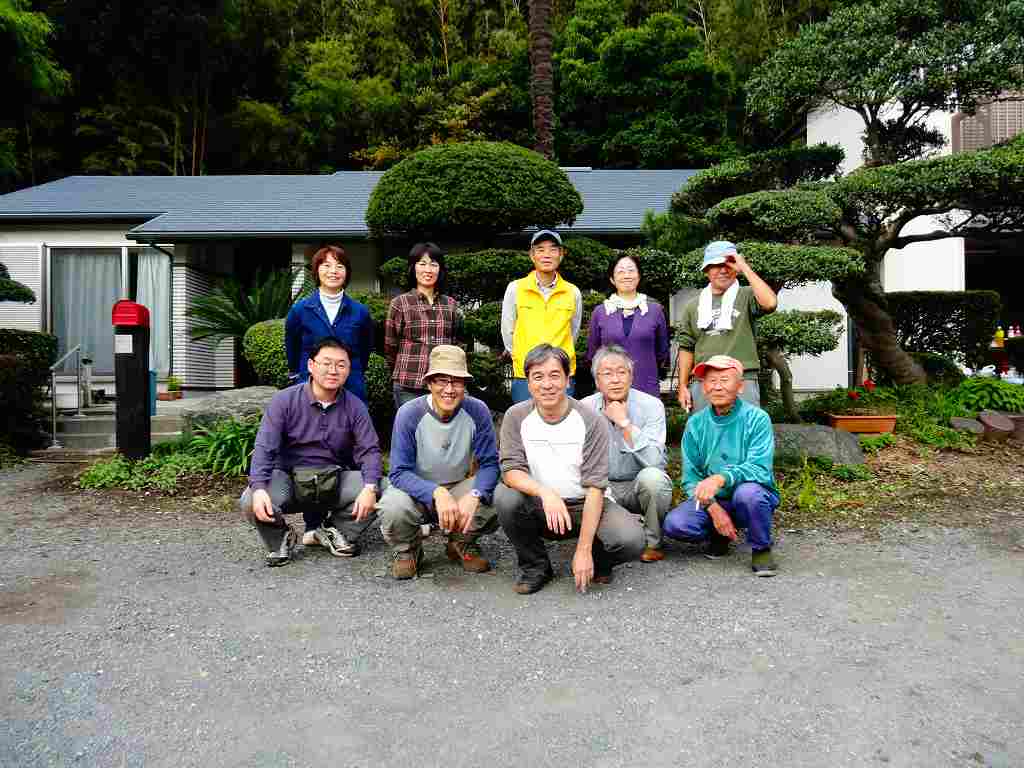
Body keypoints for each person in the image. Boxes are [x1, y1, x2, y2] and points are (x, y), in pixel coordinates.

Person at [495, 344, 645, 594]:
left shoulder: (591, 420)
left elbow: (595, 487)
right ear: (528, 383)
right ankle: (535, 566)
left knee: (631, 540)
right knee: (505, 497)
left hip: (584, 503)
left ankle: (597, 558)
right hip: (539, 504)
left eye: (555, 375)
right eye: (538, 377)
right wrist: (545, 493)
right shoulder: (516, 416)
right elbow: (511, 470)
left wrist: (583, 550)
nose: (547, 384)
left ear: (567, 380)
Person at [238, 338, 383, 567]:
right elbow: (265, 447)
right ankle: (280, 537)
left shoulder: (355, 406)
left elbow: (370, 450)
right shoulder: (284, 401)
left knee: (383, 488)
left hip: (333, 479)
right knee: (250, 499)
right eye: (326, 363)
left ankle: (334, 530)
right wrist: (258, 487)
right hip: (289, 480)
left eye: (341, 365)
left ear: (348, 370)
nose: (333, 370)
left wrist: (369, 487)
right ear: (310, 365)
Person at [378, 345, 501, 579]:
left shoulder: (477, 410)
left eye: (457, 382)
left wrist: (475, 494)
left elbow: (489, 464)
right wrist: (436, 492)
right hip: (416, 490)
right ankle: (408, 550)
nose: (449, 389)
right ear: (429, 383)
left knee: (499, 492)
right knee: (392, 506)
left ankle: (461, 541)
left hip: (458, 486)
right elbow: (398, 472)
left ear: (465, 385)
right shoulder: (409, 413)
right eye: (442, 381)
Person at [662, 355, 780, 577]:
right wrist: (714, 509)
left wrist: (721, 478)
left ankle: (761, 548)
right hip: (715, 499)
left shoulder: (757, 418)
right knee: (675, 524)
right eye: (711, 381)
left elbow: (759, 468)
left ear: (740, 386)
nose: (717, 386)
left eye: (724, 380)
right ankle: (719, 534)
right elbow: (690, 478)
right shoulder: (696, 424)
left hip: (750, 494)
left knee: (749, 494)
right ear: (704, 387)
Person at [582, 345, 673, 563]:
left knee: (654, 479)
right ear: (597, 381)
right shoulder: (584, 408)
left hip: (636, 486)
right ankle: (596, 541)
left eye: (621, 372)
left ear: (631, 377)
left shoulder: (652, 406)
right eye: (607, 373)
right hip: (601, 486)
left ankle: (652, 542)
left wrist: (624, 424)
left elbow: (654, 460)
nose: (615, 380)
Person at [675, 241, 777, 412]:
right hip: (704, 380)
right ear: (706, 270)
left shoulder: (747, 295)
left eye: (728, 264)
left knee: (746, 426)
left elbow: (770, 303)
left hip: (743, 378)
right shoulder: (693, 306)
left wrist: (744, 267)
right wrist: (683, 386)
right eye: (716, 265)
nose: (723, 270)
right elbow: (686, 347)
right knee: (704, 428)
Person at [501, 229, 583, 404]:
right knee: (525, 419)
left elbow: (573, 332)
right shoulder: (515, 288)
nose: (547, 255)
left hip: (561, 373)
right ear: (532, 255)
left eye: (553, 249)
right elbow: (508, 332)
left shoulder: (573, 292)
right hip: (526, 374)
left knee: (562, 420)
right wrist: (521, 357)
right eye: (540, 249)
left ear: (561, 255)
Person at [285, 245, 374, 403]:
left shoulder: (360, 312)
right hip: (310, 385)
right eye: (326, 265)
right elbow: (293, 349)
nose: (333, 271)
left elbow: (364, 350)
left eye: (339, 266)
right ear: (316, 270)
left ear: (346, 273)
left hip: (351, 386)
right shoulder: (300, 310)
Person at [384, 242, 462, 409]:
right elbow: (390, 346)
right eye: (422, 263)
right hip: (408, 384)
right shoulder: (400, 303)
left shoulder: (450, 304)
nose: (428, 269)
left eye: (433, 264)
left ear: (440, 269)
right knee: (411, 425)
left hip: (444, 384)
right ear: (413, 268)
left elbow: (456, 343)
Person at [587, 253, 670, 397]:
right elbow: (593, 354)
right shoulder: (600, 312)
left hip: (646, 386)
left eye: (631, 270)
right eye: (620, 271)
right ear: (612, 279)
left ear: (639, 276)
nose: (626, 275)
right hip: (610, 389)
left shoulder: (655, 310)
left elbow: (662, 352)